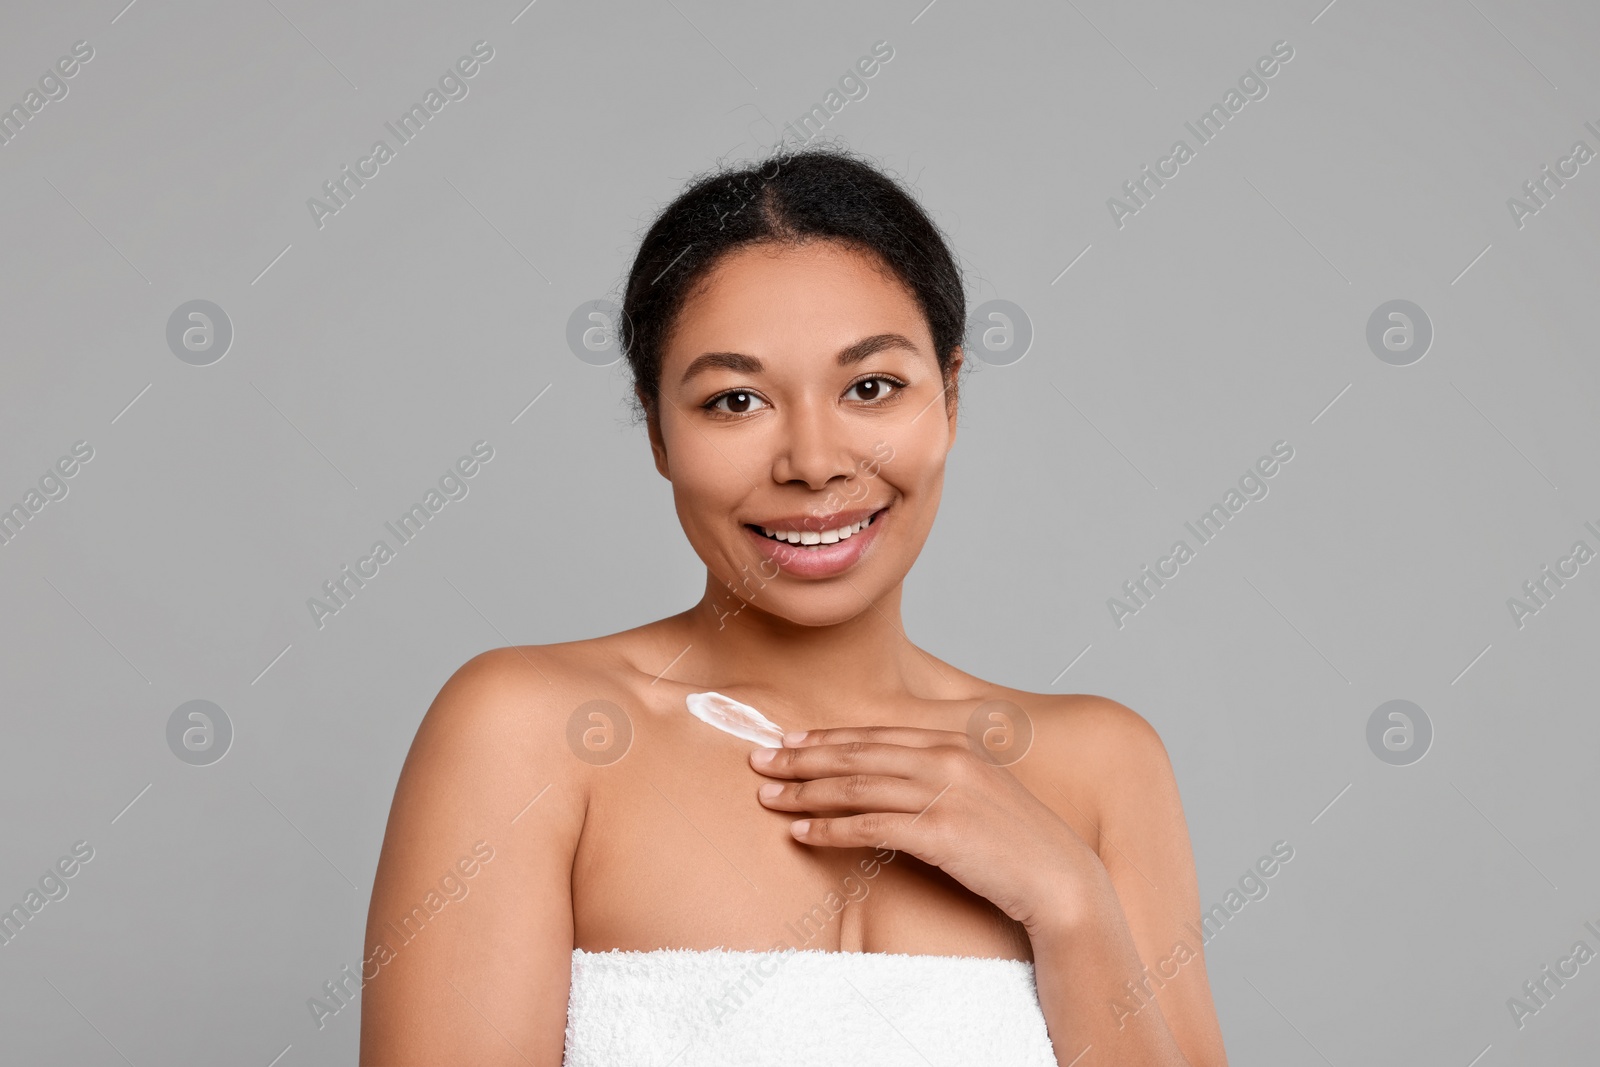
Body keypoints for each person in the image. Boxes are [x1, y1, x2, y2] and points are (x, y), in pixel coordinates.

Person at [360, 143, 1229, 1066]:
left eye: (871, 387)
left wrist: (1070, 901)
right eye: (736, 400)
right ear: (657, 431)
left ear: (953, 399)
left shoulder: (1101, 767)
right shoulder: (529, 731)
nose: (813, 461)